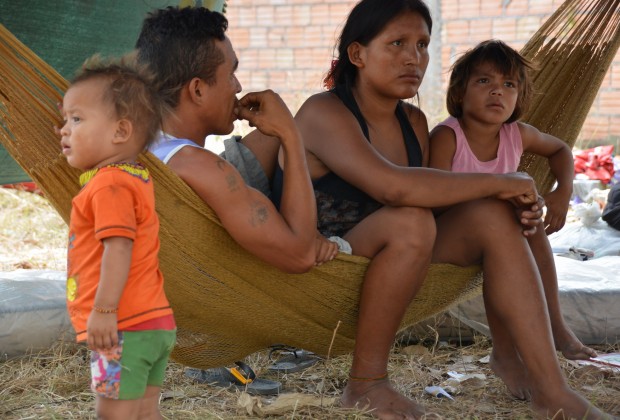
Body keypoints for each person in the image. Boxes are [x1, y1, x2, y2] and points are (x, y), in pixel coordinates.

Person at [268, 0, 609, 418]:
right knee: (411, 221)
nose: (414, 58)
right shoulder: (324, 112)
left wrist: (516, 201)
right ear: (357, 55)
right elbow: (393, 188)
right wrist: (504, 181)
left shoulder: (411, 121)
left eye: (423, 45)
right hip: (324, 263)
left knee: (493, 214)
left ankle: (550, 390)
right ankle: (366, 384)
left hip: (391, 262)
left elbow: (433, 192)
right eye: (397, 43)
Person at [133, 6, 337, 392]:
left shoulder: (128, 145)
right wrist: (292, 136)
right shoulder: (202, 168)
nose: (239, 87)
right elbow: (299, 256)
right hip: (207, 296)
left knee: (262, 143)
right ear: (196, 89)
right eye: (231, 74)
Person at [428, 39, 597, 361]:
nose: (497, 91)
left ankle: (556, 326)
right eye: (484, 81)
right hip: (451, 240)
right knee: (508, 213)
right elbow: (435, 197)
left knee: (528, 223)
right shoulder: (447, 136)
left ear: (518, 97)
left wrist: (563, 191)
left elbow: (560, 149)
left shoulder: (516, 134)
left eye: (509, 84)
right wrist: (497, 195)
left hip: (503, 240)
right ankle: (512, 349)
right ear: (460, 93)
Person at [60, 54, 176, 419]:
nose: (63, 130)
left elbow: (118, 249)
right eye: (65, 119)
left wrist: (104, 311)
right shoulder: (135, 178)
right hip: (154, 324)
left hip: (122, 327)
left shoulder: (108, 185)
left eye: (76, 119)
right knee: (144, 413)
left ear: (121, 132)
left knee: (114, 414)